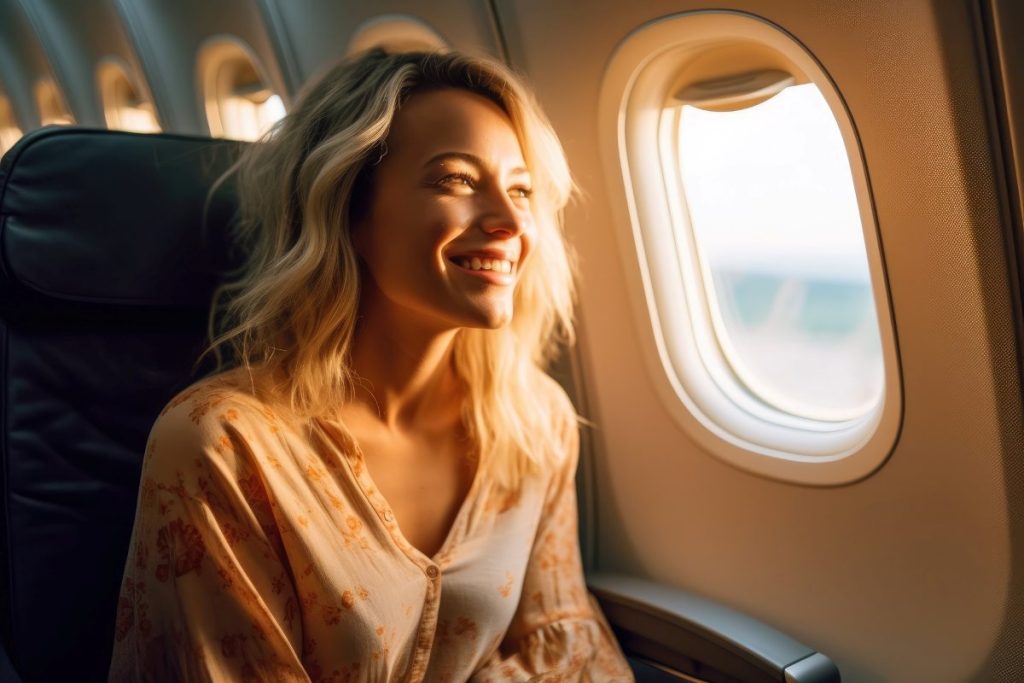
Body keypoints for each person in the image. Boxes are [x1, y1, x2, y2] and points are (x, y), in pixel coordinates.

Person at [108, 48, 633, 682]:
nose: (511, 221)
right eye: (457, 180)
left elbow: (564, 652)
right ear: (347, 210)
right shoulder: (221, 443)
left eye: (520, 189)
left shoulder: (534, 420)